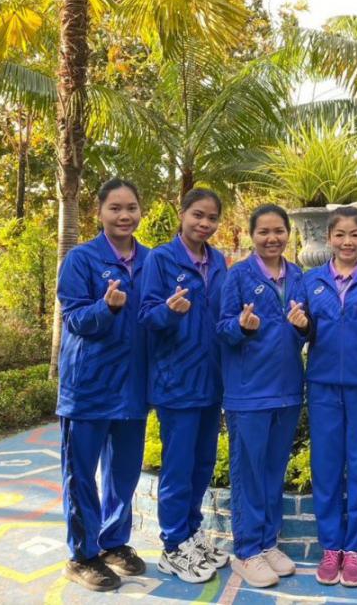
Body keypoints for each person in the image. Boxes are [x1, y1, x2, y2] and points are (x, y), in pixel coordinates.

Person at [56, 178, 149, 592]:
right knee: (81, 476)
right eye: (115, 208)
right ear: (100, 213)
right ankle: (82, 555)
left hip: (132, 387)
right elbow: (75, 318)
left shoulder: (151, 261)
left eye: (131, 207)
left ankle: (114, 543)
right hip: (88, 388)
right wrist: (106, 307)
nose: (124, 215)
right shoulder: (81, 259)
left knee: (123, 475)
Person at [139, 188, 229, 583]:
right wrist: (168, 312)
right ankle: (173, 546)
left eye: (211, 218)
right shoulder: (161, 259)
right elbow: (145, 317)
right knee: (178, 467)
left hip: (211, 379)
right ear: (183, 213)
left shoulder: (219, 260)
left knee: (202, 464)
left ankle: (191, 534)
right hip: (176, 382)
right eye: (197, 215)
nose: (204, 224)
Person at [217, 204, 308, 588]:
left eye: (278, 231)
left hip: (287, 389)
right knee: (249, 473)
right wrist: (242, 326)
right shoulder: (238, 276)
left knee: (273, 471)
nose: (272, 238)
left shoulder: (299, 276)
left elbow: (304, 331)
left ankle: (268, 543)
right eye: (264, 232)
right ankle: (247, 551)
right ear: (252, 235)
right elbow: (222, 329)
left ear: (289, 233)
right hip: (249, 392)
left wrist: (303, 327)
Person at [301, 206, 357, 588]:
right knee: (325, 467)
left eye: (354, 234)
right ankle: (330, 547)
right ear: (329, 238)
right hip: (322, 384)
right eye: (340, 234)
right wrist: (301, 326)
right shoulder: (310, 281)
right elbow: (303, 331)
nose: (347, 241)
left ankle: (354, 549)